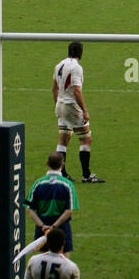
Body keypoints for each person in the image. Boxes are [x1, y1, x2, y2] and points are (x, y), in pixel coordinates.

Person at [52, 42, 103, 183]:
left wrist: (57, 104)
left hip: (60, 104)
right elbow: (76, 90)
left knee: (63, 138)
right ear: (80, 53)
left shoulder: (59, 65)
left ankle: (61, 173)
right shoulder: (76, 68)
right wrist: (85, 111)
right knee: (86, 138)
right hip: (71, 106)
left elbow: (54, 88)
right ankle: (86, 175)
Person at [26, 152, 79, 253]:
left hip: (42, 227)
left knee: (43, 260)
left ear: (47, 163)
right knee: (63, 261)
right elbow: (69, 211)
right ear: (62, 164)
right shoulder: (68, 185)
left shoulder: (37, 184)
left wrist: (42, 226)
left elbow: (29, 208)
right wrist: (54, 226)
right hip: (61, 228)